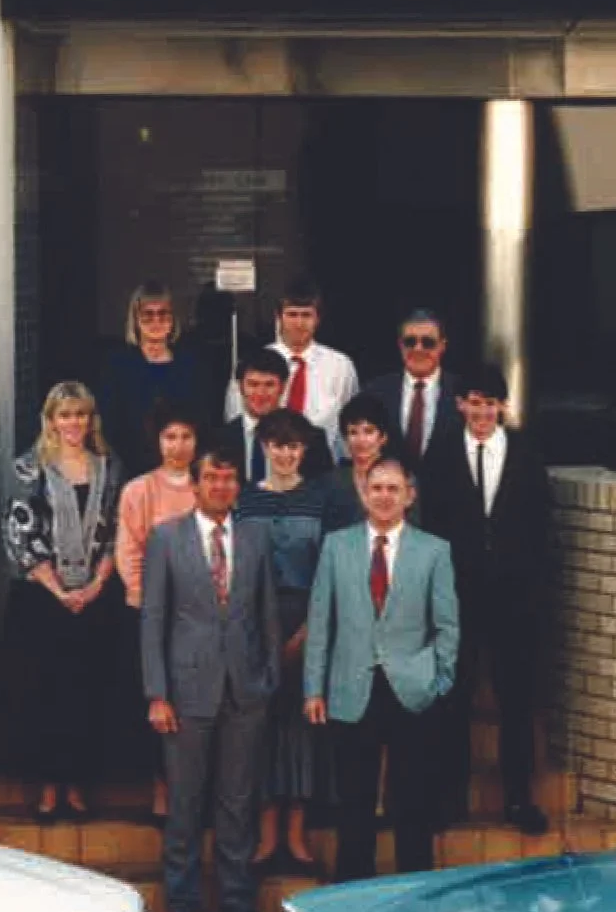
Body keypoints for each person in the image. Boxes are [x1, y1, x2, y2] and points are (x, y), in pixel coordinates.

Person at [140, 442, 282, 912]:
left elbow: (268, 613)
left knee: (238, 803)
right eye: (211, 479)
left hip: (246, 690)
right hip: (185, 692)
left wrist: (268, 679)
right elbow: (154, 618)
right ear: (196, 485)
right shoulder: (166, 539)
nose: (220, 486)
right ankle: (182, 910)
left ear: (237, 486)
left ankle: (239, 906)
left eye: (228, 479)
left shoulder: (257, 537)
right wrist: (157, 693)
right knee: (184, 804)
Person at [303, 456, 460, 881]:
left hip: (412, 688)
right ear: (363, 493)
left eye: (394, 489)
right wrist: (313, 689)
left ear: (409, 496)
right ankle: (353, 889)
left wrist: (440, 681)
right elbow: (321, 622)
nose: (384, 496)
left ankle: (414, 892)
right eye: (377, 488)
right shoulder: (337, 546)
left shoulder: (434, 550)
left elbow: (447, 625)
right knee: (354, 801)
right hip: (351, 687)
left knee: (412, 801)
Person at [425, 365, 552, 836]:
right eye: (472, 402)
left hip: (514, 598)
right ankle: (450, 799)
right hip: (457, 594)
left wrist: (535, 592)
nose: (480, 412)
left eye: (489, 403)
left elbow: (541, 527)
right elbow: (432, 526)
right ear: (460, 404)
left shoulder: (524, 452)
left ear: (502, 406)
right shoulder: (440, 453)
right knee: (452, 696)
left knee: (515, 700)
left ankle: (520, 800)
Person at [3, 381, 124, 823]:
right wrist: (59, 591)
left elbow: (116, 531)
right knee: (45, 696)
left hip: (94, 599)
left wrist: (94, 586)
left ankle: (76, 786)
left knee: (85, 694)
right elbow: (20, 534)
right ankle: (49, 790)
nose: (73, 424)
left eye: (81, 415)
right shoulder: (28, 468)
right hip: (42, 601)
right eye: (64, 415)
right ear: (50, 420)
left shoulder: (108, 467)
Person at [234, 409, 333, 876]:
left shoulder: (318, 499)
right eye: (277, 445)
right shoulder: (245, 501)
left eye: (293, 446)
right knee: (260, 728)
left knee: (301, 731)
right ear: (263, 447)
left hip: (305, 620)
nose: (285, 453)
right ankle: (266, 832)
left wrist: (310, 629)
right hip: (255, 624)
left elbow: (329, 569)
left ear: (304, 451)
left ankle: (297, 835)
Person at [114, 402, 204, 824]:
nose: (178, 446)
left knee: (196, 704)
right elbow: (129, 551)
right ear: (157, 441)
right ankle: (161, 792)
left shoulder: (209, 486)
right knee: (158, 703)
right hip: (152, 611)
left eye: (186, 437)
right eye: (171, 437)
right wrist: (145, 597)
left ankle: (195, 793)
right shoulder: (139, 490)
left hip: (202, 616)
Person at [224, 277, 359, 459]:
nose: (299, 323)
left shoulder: (341, 367)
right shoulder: (252, 364)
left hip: (322, 470)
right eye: (292, 314)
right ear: (278, 317)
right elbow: (236, 419)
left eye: (306, 315)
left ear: (318, 319)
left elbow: (351, 428)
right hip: (263, 468)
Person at [96, 281, 211, 477]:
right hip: (130, 471)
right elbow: (109, 424)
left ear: (173, 318)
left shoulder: (191, 364)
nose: (156, 321)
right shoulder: (117, 365)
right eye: (147, 315)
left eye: (163, 314)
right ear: (135, 319)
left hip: (184, 471)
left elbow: (203, 420)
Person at [361, 308, 462, 473]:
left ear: (442, 346)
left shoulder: (462, 392)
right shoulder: (374, 393)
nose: (418, 349)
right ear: (400, 345)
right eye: (410, 342)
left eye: (428, 342)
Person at [223, 348, 334, 485]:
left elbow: (324, 493)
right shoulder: (220, 439)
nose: (260, 393)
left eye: (269, 385)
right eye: (253, 384)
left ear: (283, 387)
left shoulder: (312, 437)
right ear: (240, 387)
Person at [322, 393, 420, 532]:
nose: (361, 440)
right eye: (353, 432)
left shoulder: (404, 478)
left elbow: (413, 532)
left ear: (383, 437)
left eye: (368, 431)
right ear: (345, 439)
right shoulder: (332, 482)